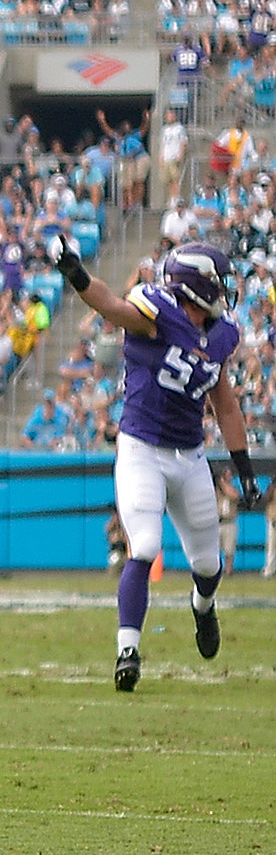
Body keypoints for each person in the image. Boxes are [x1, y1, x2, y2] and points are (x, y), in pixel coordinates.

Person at [49, 236, 262, 689]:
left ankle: (202, 608)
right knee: (143, 546)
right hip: (142, 449)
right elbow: (109, 305)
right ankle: (128, 650)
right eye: (217, 284)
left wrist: (244, 469)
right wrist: (75, 272)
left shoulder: (221, 335)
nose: (224, 293)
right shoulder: (154, 314)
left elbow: (225, 406)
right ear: (196, 287)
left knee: (208, 565)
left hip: (190, 457)